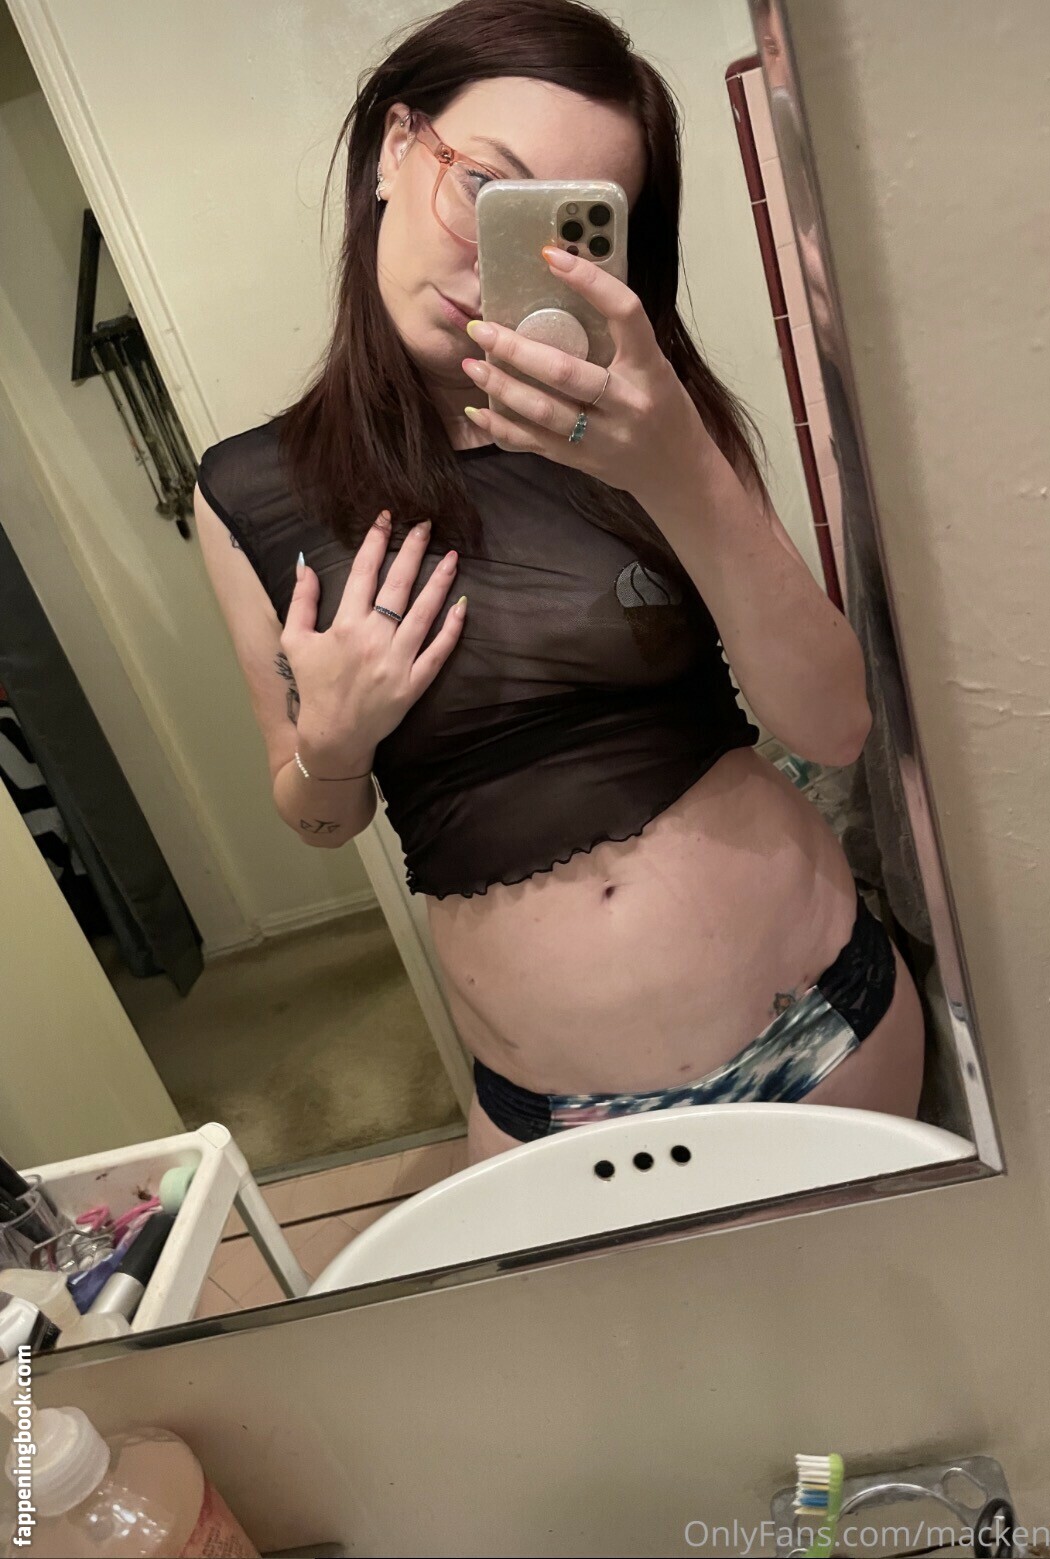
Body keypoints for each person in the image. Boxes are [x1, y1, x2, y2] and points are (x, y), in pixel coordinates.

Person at [193, 0, 924, 1163]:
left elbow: (833, 726)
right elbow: (320, 817)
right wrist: (333, 742)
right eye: (488, 187)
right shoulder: (249, 490)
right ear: (395, 149)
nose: (497, 264)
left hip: (820, 1029)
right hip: (552, 1120)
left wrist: (677, 463)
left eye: (567, 230)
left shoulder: (652, 420)